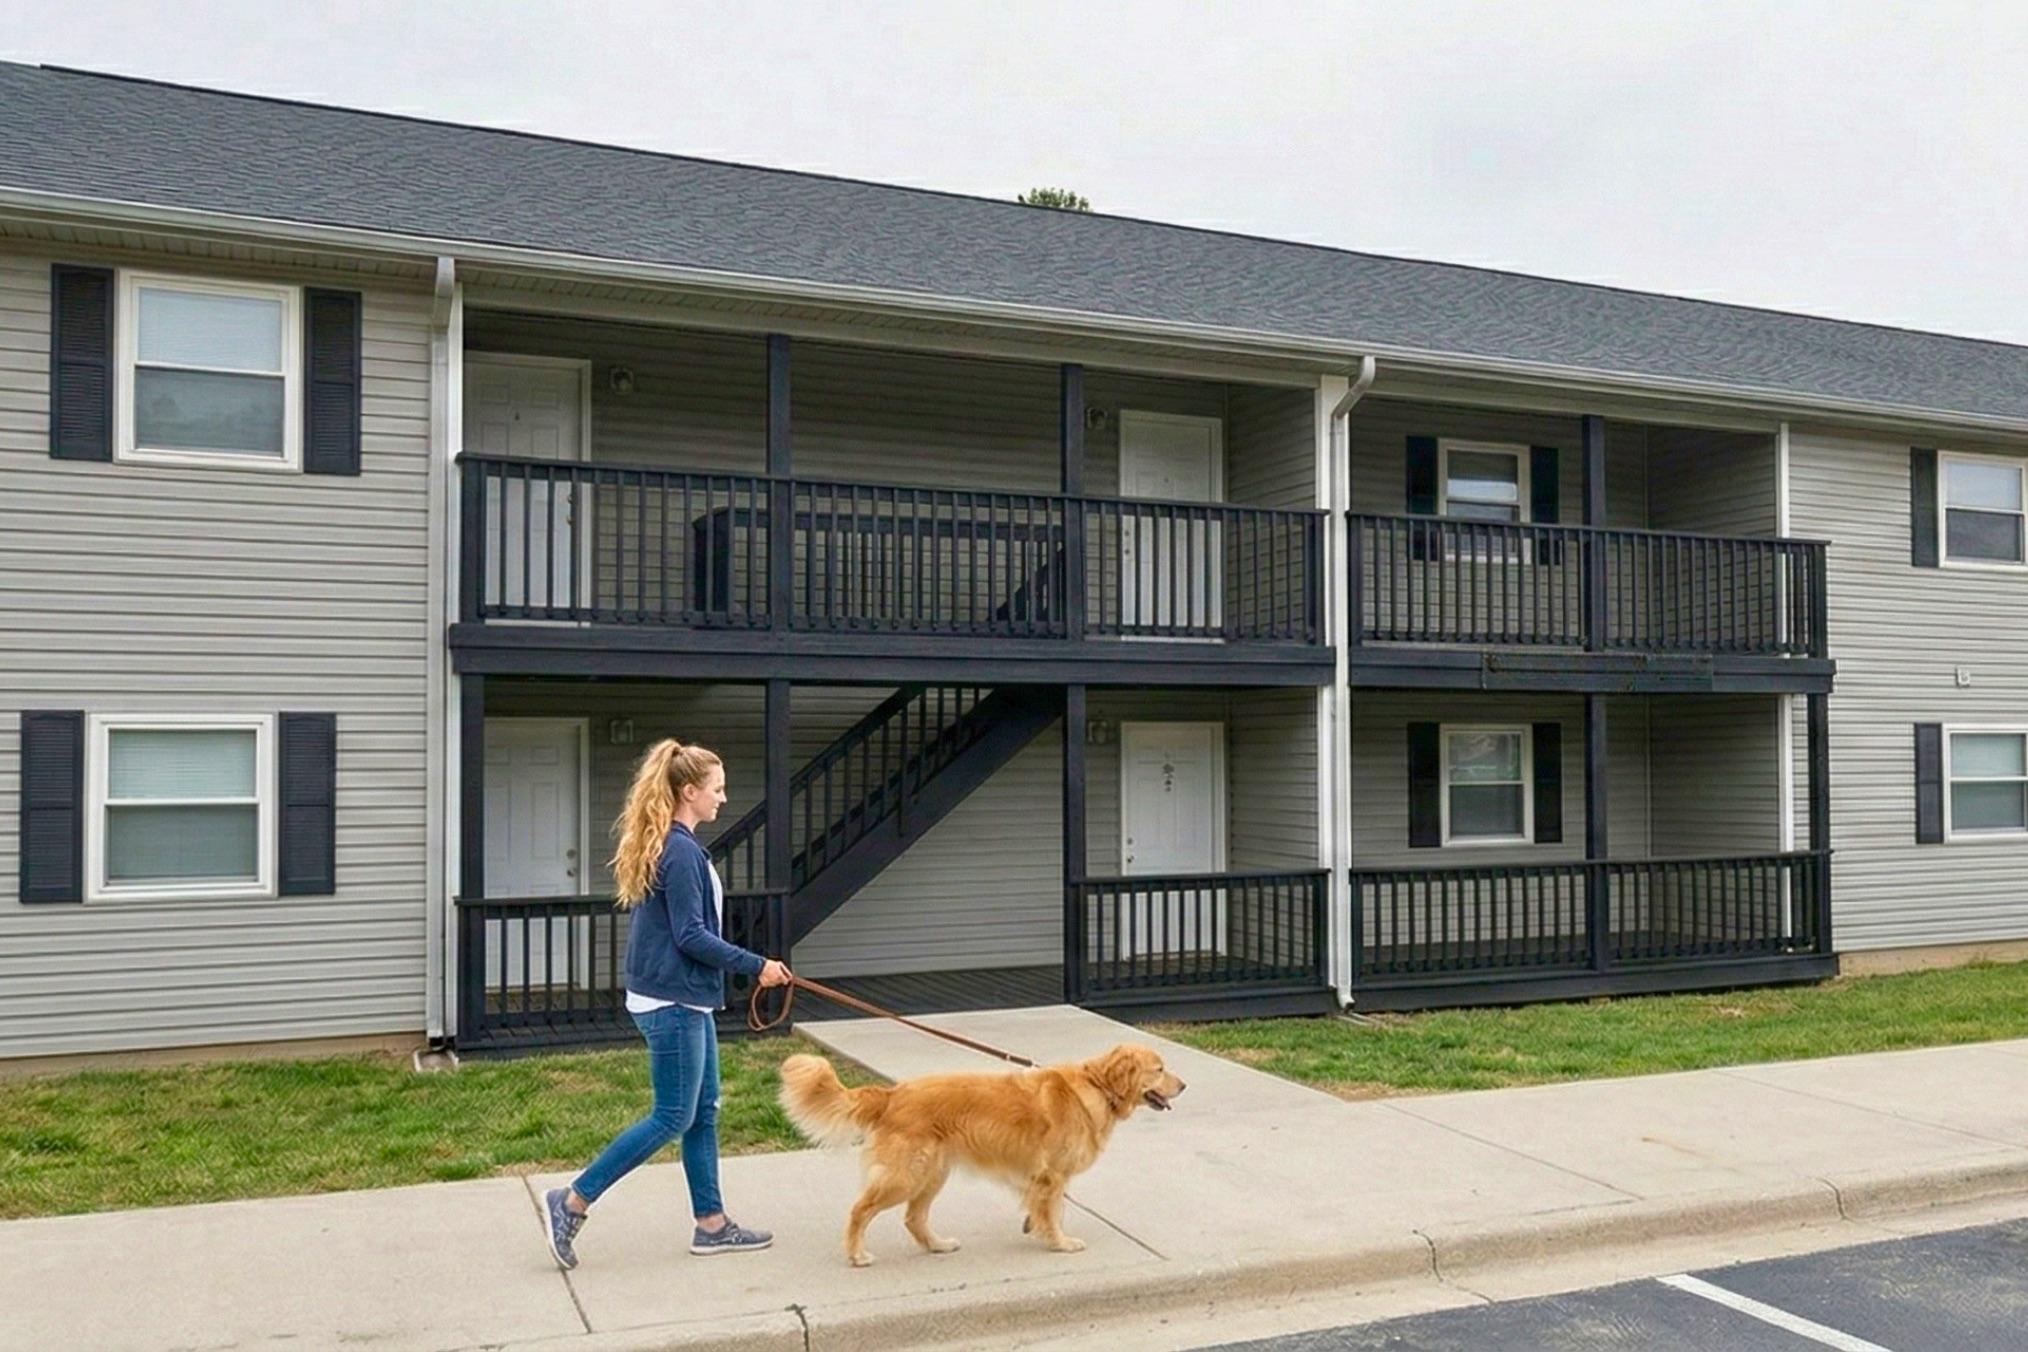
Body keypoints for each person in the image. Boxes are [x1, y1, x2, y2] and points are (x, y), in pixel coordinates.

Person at [542, 739, 791, 1269]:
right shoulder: (679, 852)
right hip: (671, 1001)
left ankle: (712, 1224)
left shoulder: (680, 845)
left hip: (684, 998)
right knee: (672, 1115)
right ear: (689, 791)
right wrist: (757, 966)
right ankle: (572, 1201)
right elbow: (691, 936)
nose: (723, 799)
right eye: (717, 790)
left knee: (703, 1112)